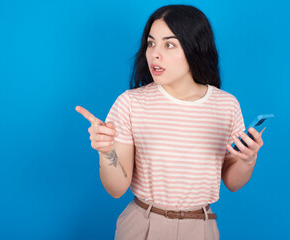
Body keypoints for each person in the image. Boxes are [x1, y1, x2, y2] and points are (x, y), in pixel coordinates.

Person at [76, 4, 264, 240]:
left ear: (194, 48)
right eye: (151, 42)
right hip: (142, 226)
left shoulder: (226, 105)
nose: (155, 53)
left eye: (169, 44)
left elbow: (233, 182)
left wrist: (247, 160)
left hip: (201, 228)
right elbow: (116, 189)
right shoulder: (130, 103)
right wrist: (106, 152)